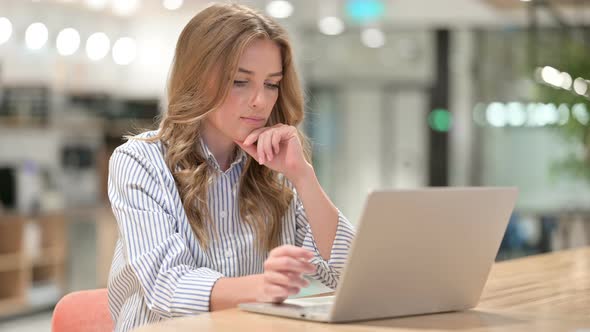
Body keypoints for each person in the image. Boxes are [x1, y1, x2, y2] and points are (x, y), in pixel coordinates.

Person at [107, 3, 356, 331]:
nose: (260, 100)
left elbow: (345, 274)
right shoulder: (139, 161)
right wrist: (264, 286)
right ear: (197, 78)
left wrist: (303, 176)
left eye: (271, 84)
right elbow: (165, 286)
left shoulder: (274, 166)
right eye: (241, 81)